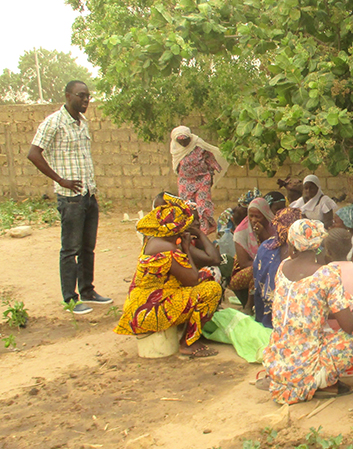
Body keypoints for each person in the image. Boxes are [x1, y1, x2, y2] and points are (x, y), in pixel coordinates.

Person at [261, 220, 353, 404]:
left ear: (292, 248)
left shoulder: (283, 267)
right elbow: (349, 325)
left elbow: (308, 307)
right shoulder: (326, 275)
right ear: (322, 247)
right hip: (305, 372)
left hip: (277, 367)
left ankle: (307, 379)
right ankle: (321, 383)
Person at [27, 80, 112, 314]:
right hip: (70, 197)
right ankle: (70, 298)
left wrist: (91, 190)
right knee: (70, 250)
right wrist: (59, 180)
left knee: (88, 247)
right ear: (68, 96)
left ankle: (87, 290)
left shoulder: (82, 123)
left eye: (88, 96)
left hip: (88, 194)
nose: (86, 100)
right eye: (81, 95)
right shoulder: (54, 122)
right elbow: (33, 153)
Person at [114, 196, 222, 357]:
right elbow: (192, 279)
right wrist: (185, 249)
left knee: (204, 278)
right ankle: (188, 343)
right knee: (211, 289)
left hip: (139, 308)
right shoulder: (168, 248)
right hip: (150, 311)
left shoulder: (153, 241)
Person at [170, 126, 229, 234]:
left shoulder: (198, 144)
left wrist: (213, 170)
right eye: (181, 141)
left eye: (185, 140)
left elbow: (209, 157)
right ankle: (191, 228)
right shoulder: (176, 149)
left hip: (202, 179)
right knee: (188, 206)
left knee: (203, 204)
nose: (183, 143)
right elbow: (176, 166)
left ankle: (205, 229)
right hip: (185, 182)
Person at [252, 207, 302, 327]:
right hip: (295, 318)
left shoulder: (266, 247)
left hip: (267, 315)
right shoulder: (306, 251)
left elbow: (257, 283)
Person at [230, 198, 276, 309]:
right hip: (243, 273)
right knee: (258, 270)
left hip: (267, 266)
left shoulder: (274, 227)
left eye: (258, 216)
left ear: (265, 215)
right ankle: (249, 307)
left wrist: (264, 236)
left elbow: (278, 250)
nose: (254, 220)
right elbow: (244, 263)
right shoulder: (241, 232)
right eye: (251, 216)